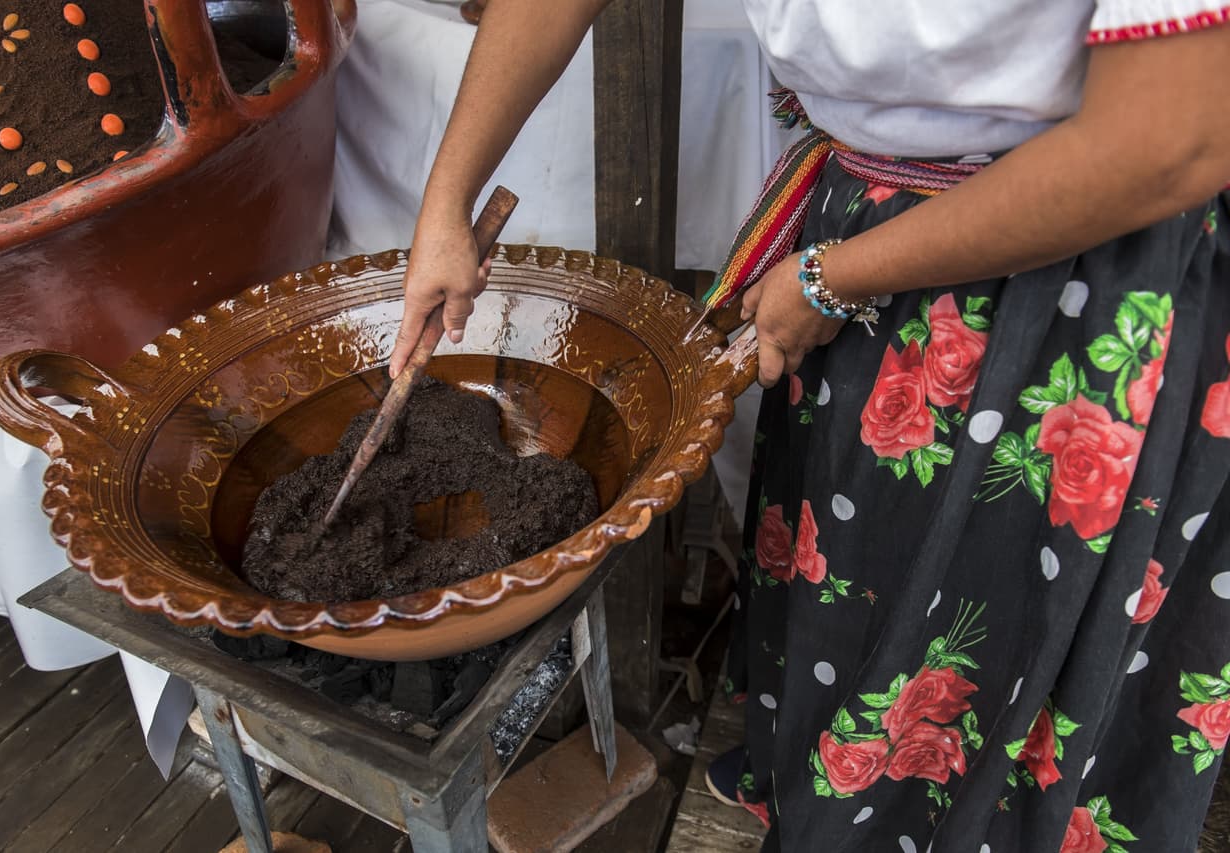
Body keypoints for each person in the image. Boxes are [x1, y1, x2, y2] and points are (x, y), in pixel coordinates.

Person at [390, 2, 1230, 850]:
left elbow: (1168, 143)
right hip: (853, 239)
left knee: (975, 633)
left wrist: (838, 278)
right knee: (857, 574)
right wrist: (446, 199)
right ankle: (819, 791)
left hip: (1059, 290)